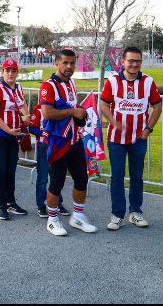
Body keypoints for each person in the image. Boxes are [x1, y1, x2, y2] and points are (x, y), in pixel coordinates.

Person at [99, 46, 162, 231]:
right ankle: (117, 215)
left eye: (138, 61)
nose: (134, 64)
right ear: (123, 62)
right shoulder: (113, 81)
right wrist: (113, 122)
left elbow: (157, 107)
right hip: (116, 139)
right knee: (117, 176)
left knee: (137, 176)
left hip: (138, 139)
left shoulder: (148, 82)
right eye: (131, 61)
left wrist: (148, 129)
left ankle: (135, 212)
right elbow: (103, 104)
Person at [40, 49, 96, 236]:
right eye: (65, 62)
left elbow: (72, 107)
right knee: (57, 182)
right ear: (56, 63)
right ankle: (52, 220)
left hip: (75, 139)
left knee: (81, 178)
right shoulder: (49, 86)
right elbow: (47, 113)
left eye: (72, 63)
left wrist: (80, 110)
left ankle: (78, 216)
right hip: (58, 141)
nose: (69, 66)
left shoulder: (71, 83)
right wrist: (73, 112)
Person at [0, 58, 29, 220]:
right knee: (0, 170)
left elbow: (21, 104)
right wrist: (8, 130)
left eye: (13, 71)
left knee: (10, 170)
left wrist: (27, 115)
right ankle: (1, 205)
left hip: (12, 135)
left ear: (17, 72)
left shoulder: (18, 87)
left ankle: (11, 202)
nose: (10, 73)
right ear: (2, 72)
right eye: (7, 70)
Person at [28, 103, 67, 218]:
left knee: (56, 177)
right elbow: (31, 128)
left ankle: (58, 203)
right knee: (43, 178)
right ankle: (41, 205)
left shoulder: (60, 107)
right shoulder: (39, 108)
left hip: (57, 146)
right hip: (44, 147)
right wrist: (45, 133)